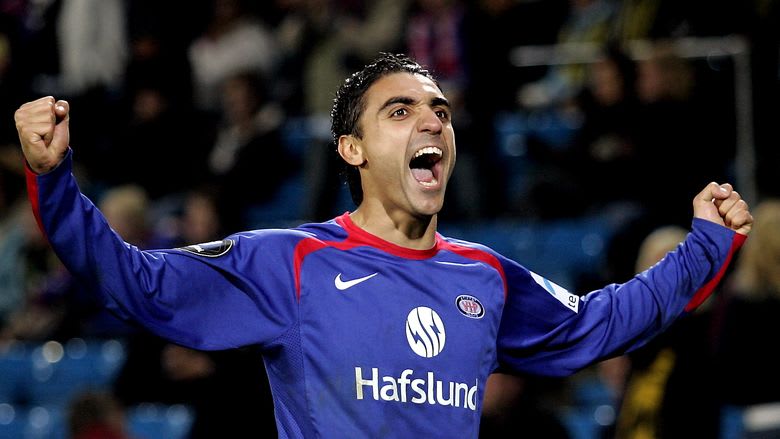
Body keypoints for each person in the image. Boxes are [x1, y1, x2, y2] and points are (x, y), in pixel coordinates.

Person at [14, 52, 753, 438]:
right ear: (353, 148)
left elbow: (600, 322)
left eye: (440, 111)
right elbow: (137, 281)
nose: (432, 123)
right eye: (400, 111)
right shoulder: (289, 262)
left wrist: (705, 247)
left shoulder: (487, 277)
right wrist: (54, 181)